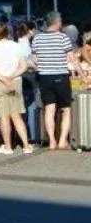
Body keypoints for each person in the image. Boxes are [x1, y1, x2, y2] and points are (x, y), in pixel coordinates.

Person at [31, 11, 79, 149]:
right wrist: (81, 74)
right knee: (66, 109)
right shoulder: (62, 38)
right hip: (61, 77)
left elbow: (34, 60)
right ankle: (63, 140)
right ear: (57, 22)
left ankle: (52, 141)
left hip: (45, 77)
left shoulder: (37, 39)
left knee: (49, 109)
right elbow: (72, 58)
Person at [0, 21, 31, 154]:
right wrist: (11, 77)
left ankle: (7, 146)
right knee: (16, 115)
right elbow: (24, 66)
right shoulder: (17, 46)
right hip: (15, 81)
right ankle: (26, 145)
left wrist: (4, 79)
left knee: (3, 116)